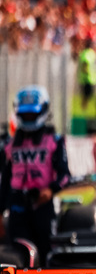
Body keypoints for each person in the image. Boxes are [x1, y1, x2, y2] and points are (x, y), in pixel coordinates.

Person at [1, 85, 71, 262]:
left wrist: (51, 190)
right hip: (17, 205)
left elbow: (64, 175)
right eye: (25, 114)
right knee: (19, 252)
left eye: (32, 114)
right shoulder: (10, 144)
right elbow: (6, 178)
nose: (29, 118)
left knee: (46, 251)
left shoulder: (54, 141)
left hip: (43, 204)